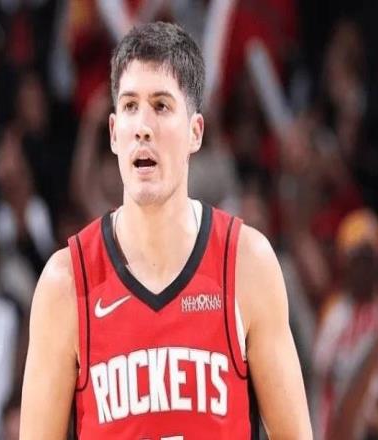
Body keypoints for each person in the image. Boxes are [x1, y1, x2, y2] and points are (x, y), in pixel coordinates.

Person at [21, 22, 312, 439]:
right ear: (113, 133)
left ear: (195, 132)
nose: (143, 126)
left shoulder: (247, 263)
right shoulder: (65, 282)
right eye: (130, 106)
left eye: (160, 106)